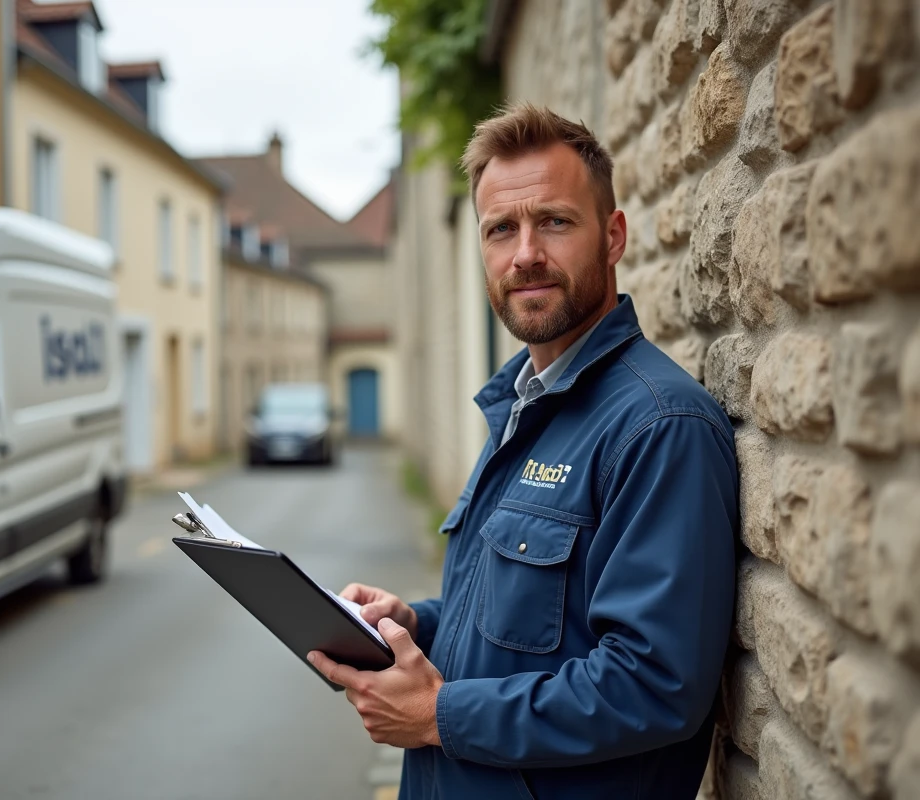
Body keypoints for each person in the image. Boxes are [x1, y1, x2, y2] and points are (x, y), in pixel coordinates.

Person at [307, 103, 738, 799]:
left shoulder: (659, 427)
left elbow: (655, 684)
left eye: (555, 222)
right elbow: (530, 627)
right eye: (501, 229)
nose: (525, 253)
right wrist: (415, 624)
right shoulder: (522, 406)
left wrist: (439, 715)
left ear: (613, 236)